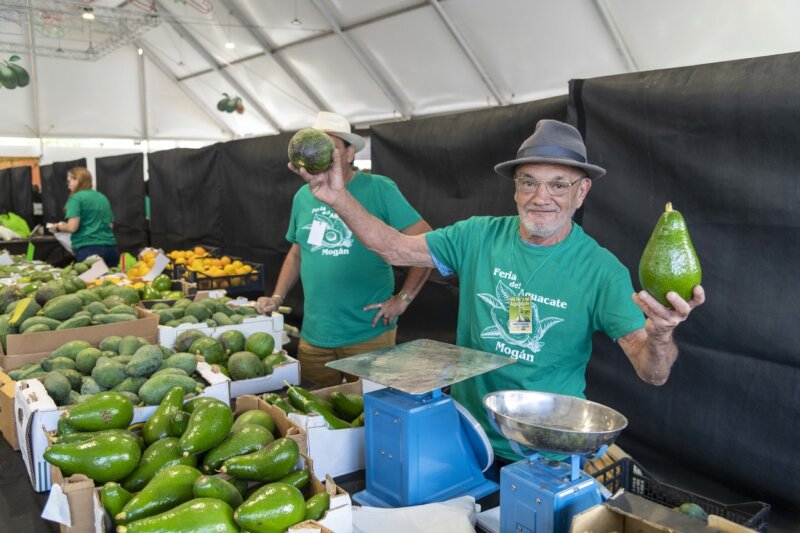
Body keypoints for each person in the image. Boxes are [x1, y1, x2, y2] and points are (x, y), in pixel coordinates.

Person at [289, 119, 705, 462]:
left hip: (547, 450)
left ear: (582, 191)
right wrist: (337, 198)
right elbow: (393, 248)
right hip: (465, 433)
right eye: (529, 182)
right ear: (515, 188)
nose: (541, 197)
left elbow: (653, 373)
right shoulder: (477, 236)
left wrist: (661, 335)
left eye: (558, 184)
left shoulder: (601, 270)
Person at [256, 112, 432, 387]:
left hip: (367, 336)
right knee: (318, 412)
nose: (323, 156)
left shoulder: (379, 189)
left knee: (369, 413)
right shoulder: (304, 196)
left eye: (332, 149)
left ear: (350, 153)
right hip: (314, 338)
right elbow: (297, 252)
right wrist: (277, 296)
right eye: (317, 148)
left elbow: (427, 242)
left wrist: (404, 299)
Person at [49, 167, 119, 267]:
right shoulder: (102, 197)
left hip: (89, 249)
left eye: (69, 181)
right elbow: (110, 225)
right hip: (111, 248)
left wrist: (57, 227)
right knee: (112, 281)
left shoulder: (76, 198)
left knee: (90, 282)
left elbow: (72, 227)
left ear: (78, 179)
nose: (68, 185)